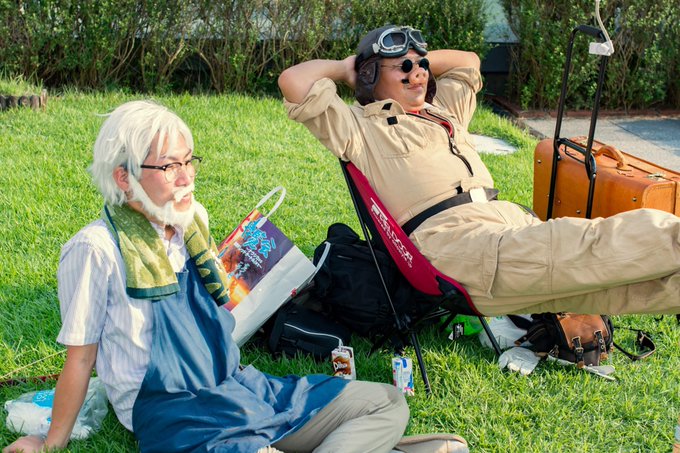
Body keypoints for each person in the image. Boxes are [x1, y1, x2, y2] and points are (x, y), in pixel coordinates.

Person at [2, 100, 468, 453]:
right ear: (124, 178)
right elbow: (81, 359)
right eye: (169, 166)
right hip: (175, 411)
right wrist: (50, 442)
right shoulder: (96, 250)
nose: (186, 177)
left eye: (189, 161)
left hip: (235, 385)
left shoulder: (191, 221)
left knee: (386, 402)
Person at [278, 24, 680, 317]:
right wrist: (349, 66)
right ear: (369, 77)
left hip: (507, 226)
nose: (417, 73)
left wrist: (415, 59)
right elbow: (294, 81)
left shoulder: (442, 112)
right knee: (588, 242)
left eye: (420, 65)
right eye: (401, 67)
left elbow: (468, 63)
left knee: (635, 289)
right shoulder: (361, 128)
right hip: (457, 245)